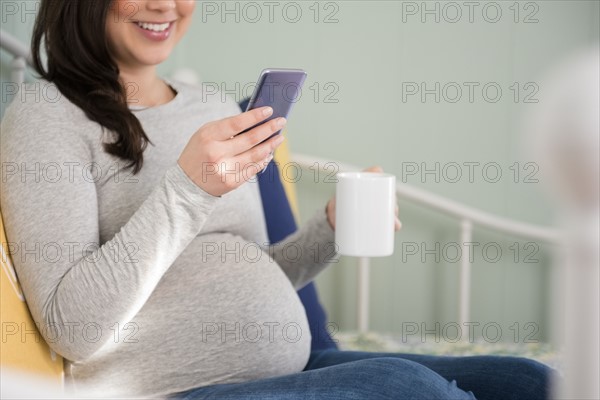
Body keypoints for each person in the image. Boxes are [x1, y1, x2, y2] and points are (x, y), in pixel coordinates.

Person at [0, 1, 551, 399]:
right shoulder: (47, 115)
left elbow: (255, 272)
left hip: (294, 368)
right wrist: (189, 188)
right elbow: (70, 327)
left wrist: (328, 232)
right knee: (411, 389)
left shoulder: (210, 105)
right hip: (171, 390)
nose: (165, 5)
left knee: (534, 382)